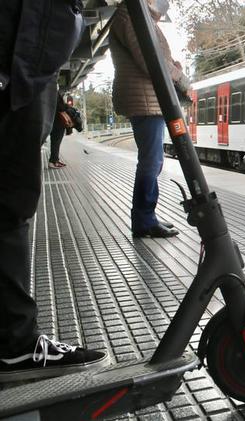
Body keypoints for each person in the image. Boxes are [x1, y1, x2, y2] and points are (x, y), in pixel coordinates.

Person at [0, 0, 108, 382]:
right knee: (9, 205)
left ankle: (14, 340)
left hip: (25, 60)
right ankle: (14, 345)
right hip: (17, 58)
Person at [110, 0, 189, 238]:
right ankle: (144, 220)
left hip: (149, 98)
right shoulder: (131, 13)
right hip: (144, 98)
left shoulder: (138, 14)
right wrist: (179, 77)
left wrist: (173, 67)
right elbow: (149, 60)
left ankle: (147, 215)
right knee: (151, 162)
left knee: (153, 161)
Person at [48, 93, 72, 169]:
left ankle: (55, 160)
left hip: (56, 122)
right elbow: (59, 107)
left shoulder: (53, 91)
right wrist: (67, 106)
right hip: (57, 123)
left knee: (56, 143)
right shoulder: (53, 92)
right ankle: (52, 162)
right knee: (55, 142)